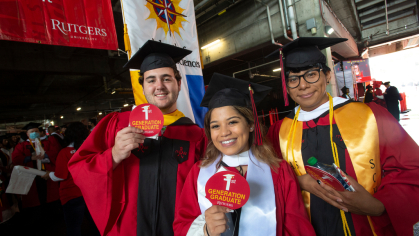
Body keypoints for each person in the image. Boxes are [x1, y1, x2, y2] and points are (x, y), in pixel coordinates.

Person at [266, 37, 419, 236]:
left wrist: (379, 206)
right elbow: (271, 179)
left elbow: (409, 169)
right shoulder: (279, 130)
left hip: (367, 226)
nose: (302, 85)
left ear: (327, 75)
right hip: (308, 228)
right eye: (293, 79)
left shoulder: (370, 116)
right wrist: (297, 181)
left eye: (311, 74)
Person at [68, 40, 207, 236]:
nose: (159, 86)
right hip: (129, 229)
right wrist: (114, 155)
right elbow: (80, 169)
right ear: (143, 86)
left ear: (179, 83)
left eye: (166, 78)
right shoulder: (116, 124)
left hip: (178, 230)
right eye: (151, 80)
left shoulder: (196, 135)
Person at [173, 73, 315, 236]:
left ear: (250, 125)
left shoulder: (279, 171)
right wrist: (205, 230)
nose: (224, 132)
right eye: (215, 126)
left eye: (232, 122)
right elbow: (181, 227)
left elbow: (297, 228)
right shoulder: (198, 173)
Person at [45, 122, 100, 236]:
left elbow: (60, 176)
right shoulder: (92, 149)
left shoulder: (64, 153)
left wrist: (48, 175)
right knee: (96, 225)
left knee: (74, 227)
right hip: (91, 193)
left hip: (72, 194)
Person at [11, 122, 63, 235]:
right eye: (31, 132)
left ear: (39, 132)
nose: (34, 133)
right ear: (27, 134)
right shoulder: (21, 146)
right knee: (34, 208)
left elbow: (57, 153)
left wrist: (46, 155)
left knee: (51, 205)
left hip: (47, 178)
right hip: (31, 179)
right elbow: (16, 159)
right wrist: (31, 157)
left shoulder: (47, 143)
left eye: (36, 131)